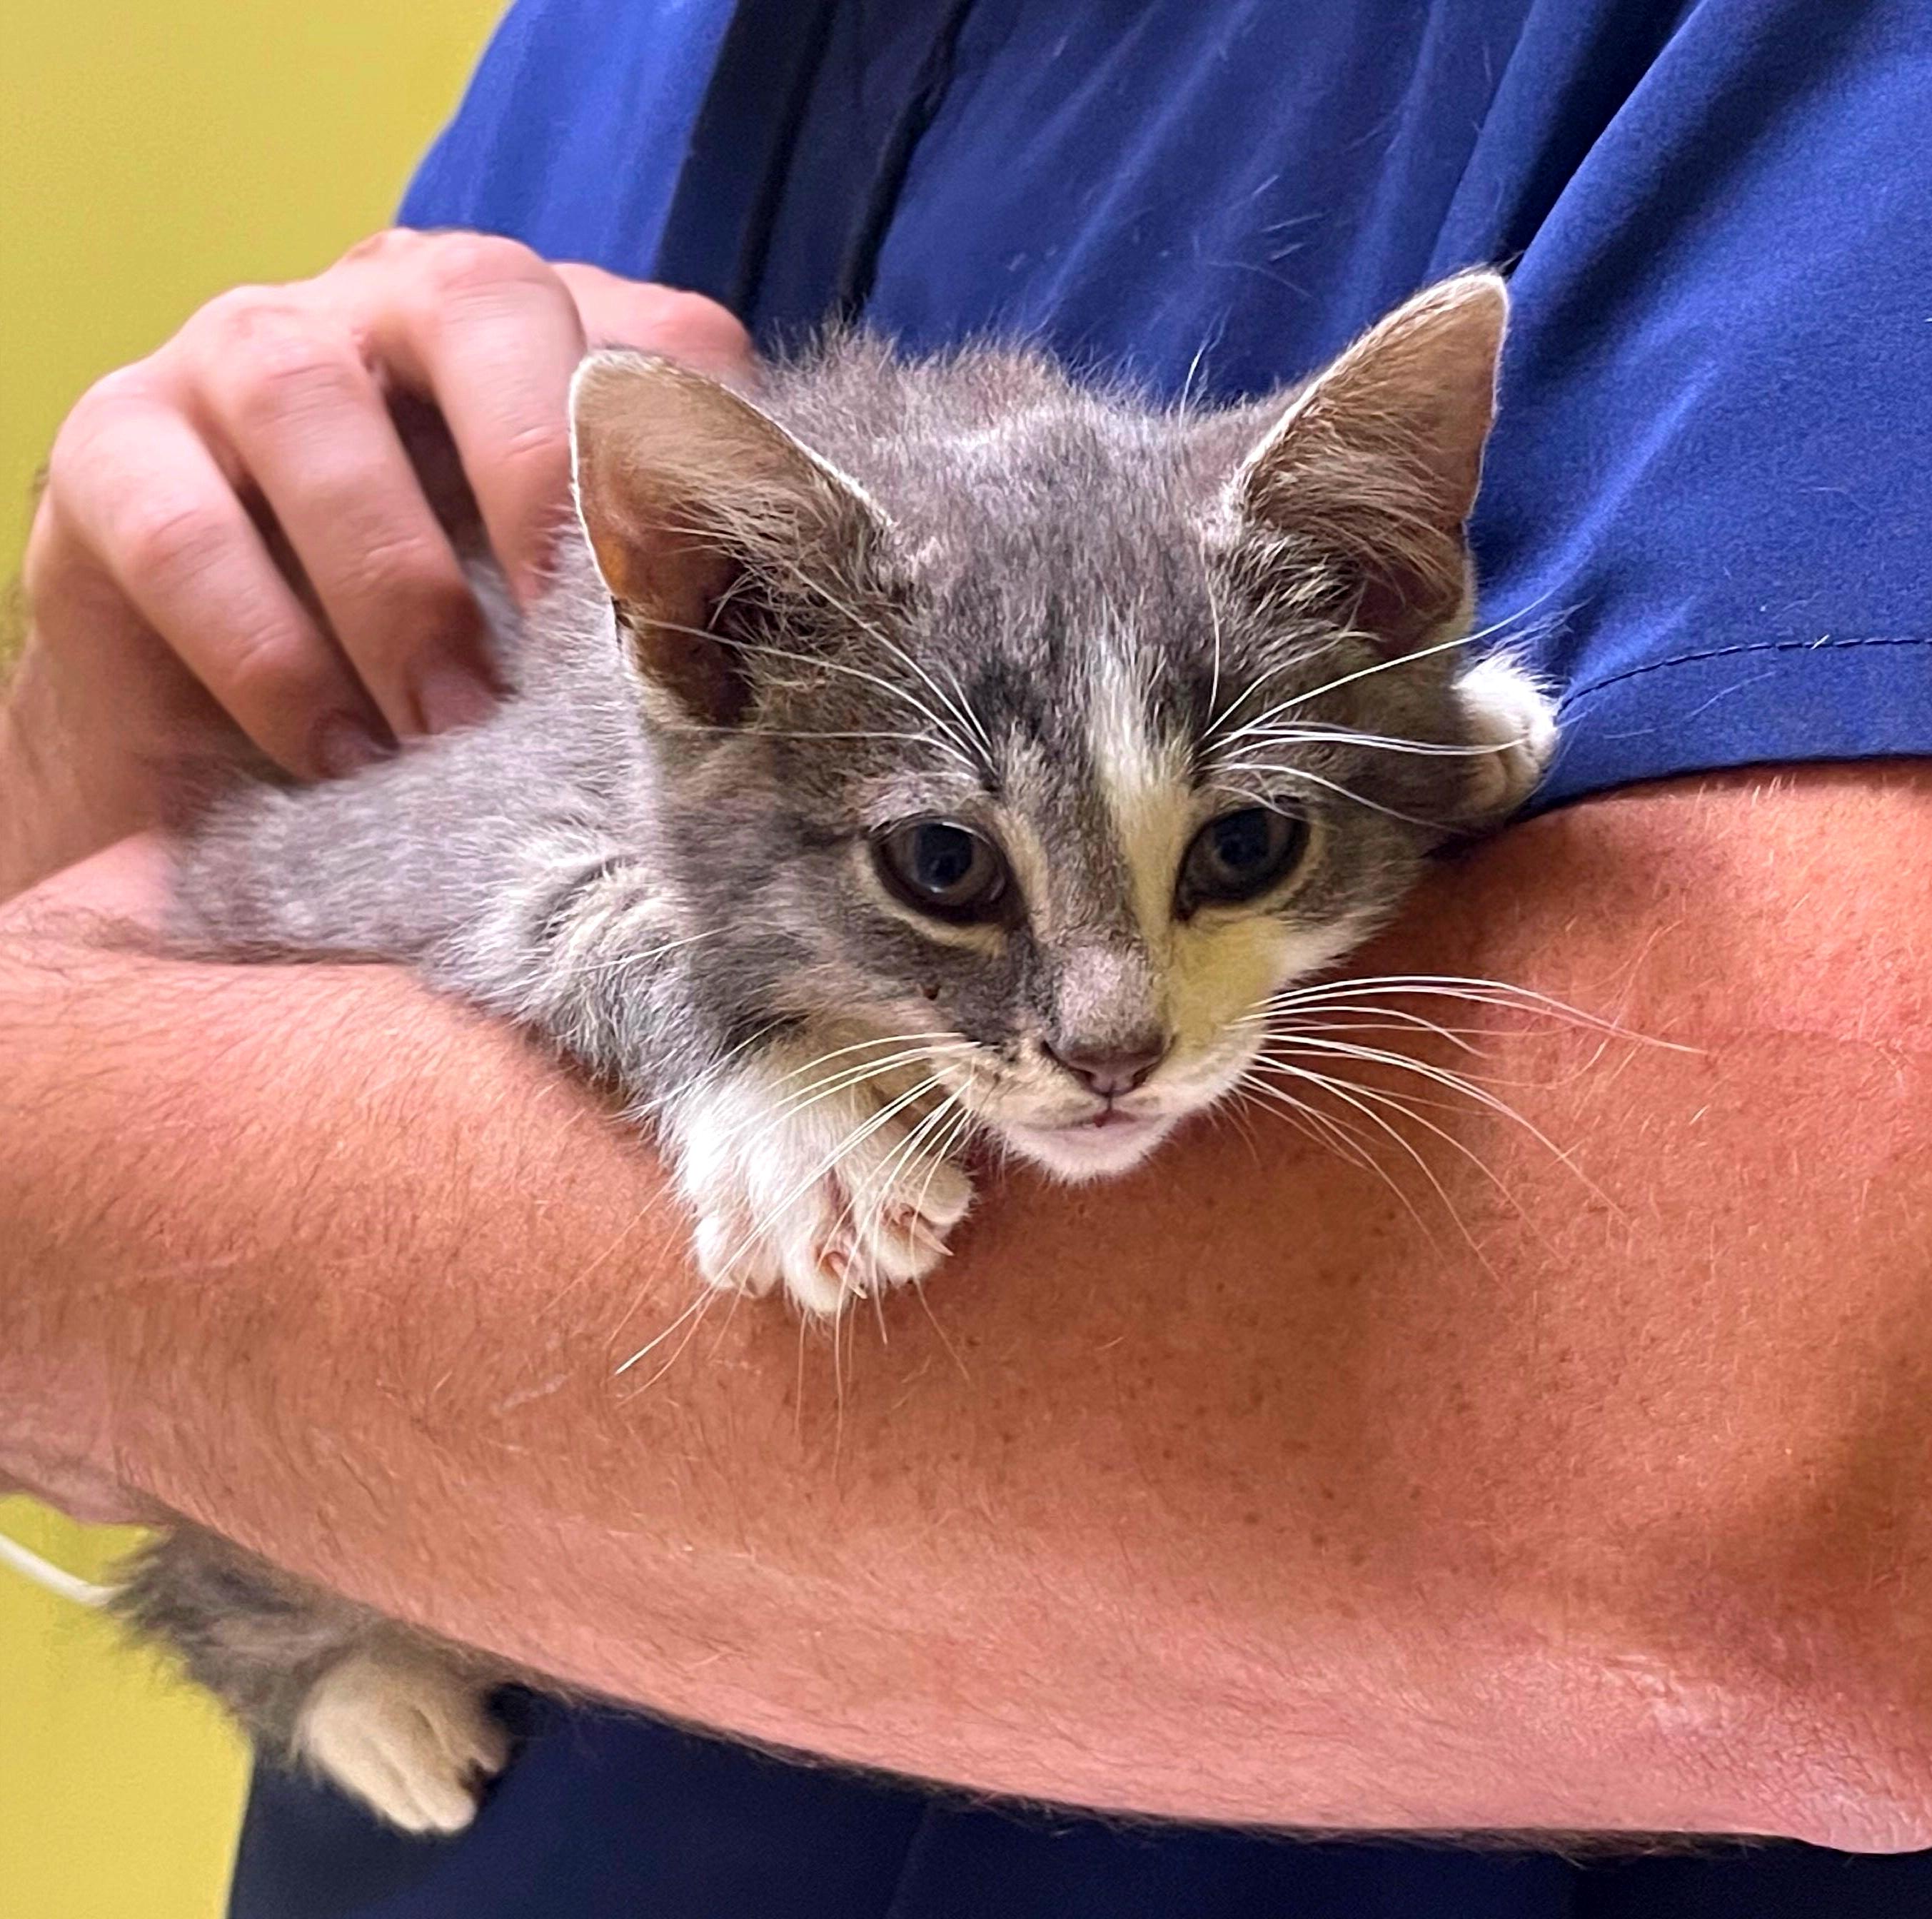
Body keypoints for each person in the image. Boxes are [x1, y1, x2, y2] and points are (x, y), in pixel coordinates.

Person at [6, 0, 1932, 1913]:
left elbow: (1789, 1522)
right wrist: (79, 782)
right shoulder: (595, 54)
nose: (1100, 1035)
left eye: (1234, 847)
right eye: (947, 866)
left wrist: (82, 1193)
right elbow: (293, 884)